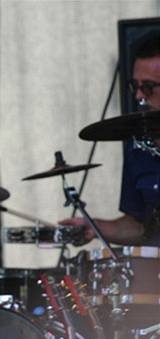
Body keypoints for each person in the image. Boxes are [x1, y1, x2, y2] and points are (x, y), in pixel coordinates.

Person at [61, 34, 160, 246]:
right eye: (135, 85)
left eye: (149, 87)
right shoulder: (139, 146)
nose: (139, 96)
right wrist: (95, 227)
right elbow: (141, 226)